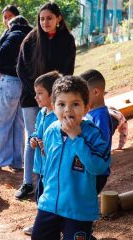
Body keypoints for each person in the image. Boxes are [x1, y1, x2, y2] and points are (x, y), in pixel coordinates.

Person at [31, 76, 110, 239]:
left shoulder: (93, 134)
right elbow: (48, 166)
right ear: (53, 107)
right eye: (61, 104)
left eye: (75, 104)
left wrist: (76, 137)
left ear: (86, 108)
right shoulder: (50, 131)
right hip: (49, 204)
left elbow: (99, 167)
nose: (67, 110)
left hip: (78, 209)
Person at [15, 2, 76, 200]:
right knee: (33, 137)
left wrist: (56, 97)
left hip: (57, 99)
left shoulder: (67, 40)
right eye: (42, 19)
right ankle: (27, 183)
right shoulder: (31, 39)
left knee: (56, 137)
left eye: (49, 18)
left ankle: (52, 179)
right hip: (31, 96)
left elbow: (68, 71)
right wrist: (37, 93)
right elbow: (21, 68)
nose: (45, 22)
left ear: (58, 18)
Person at [0, 15, 33, 171]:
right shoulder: (32, 36)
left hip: (9, 82)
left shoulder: (15, 34)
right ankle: (17, 161)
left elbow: (2, 52)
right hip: (24, 84)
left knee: (1, 123)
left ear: (14, 25)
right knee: (18, 124)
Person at [20, 71, 60, 236]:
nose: (35, 97)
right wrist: (33, 139)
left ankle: (52, 227)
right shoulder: (41, 113)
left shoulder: (58, 117)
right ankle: (42, 224)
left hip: (53, 169)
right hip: (41, 167)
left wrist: (46, 145)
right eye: (35, 93)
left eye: (40, 93)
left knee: (51, 199)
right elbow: (36, 132)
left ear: (52, 95)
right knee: (40, 198)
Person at [80, 69, 113, 194]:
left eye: (83, 94)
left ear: (96, 92)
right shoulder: (90, 113)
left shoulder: (101, 117)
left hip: (96, 173)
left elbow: (101, 145)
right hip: (88, 169)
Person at [0, 5, 20, 94]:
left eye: (10, 16)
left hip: (12, 78)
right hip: (1, 77)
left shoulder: (17, 33)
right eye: (5, 17)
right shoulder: (6, 32)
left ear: (17, 16)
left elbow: (5, 53)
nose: (7, 19)